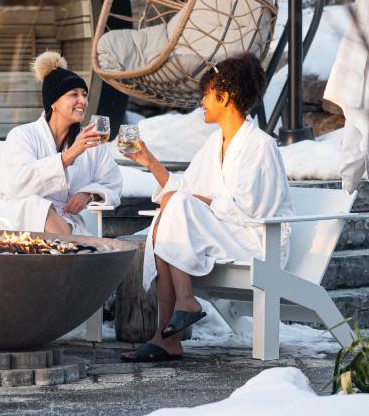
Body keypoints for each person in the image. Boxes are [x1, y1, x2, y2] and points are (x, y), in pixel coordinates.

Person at [120, 52, 294, 362]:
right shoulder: (215, 144)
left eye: (207, 94)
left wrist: (198, 203)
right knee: (171, 210)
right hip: (222, 232)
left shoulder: (261, 146)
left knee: (175, 207)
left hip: (256, 240)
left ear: (224, 97)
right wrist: (150, 162)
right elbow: (185, 189)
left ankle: (174, 324)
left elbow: (254, 210)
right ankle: (174, 325)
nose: (202, 102)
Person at [0, 51, 123, 235]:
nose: (83, 101)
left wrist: (88, 194)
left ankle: (69, 248)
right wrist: (69, 155)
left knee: (49, 215)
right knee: (38, 206)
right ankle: (72, 250)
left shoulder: (91, 141)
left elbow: (112, 182)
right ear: (53, 103)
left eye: (84, 95)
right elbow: (18, 184)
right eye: (74, 94)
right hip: (15, 218)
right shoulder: (22, 136)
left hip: (64, 222)